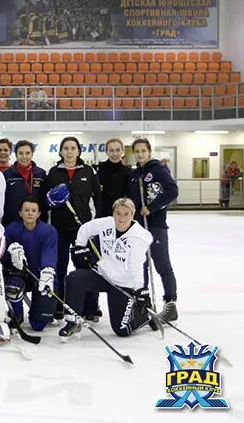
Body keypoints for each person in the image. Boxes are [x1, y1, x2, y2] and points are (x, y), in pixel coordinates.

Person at [59, 198, 155, 340]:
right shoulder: (107, 223)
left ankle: (144, 316)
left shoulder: (138, 238)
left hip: (122, 284)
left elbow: (136, 267)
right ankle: (73, 321)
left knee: (122, 330)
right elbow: (85, 228)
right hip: (103, 275)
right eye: (118, 213)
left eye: (126, 214)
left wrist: (140, 290)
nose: (121, 218)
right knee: (75, 278)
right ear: (113, 213)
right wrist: (80, 246)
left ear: (132, 214)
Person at [46, 136, 101, 321]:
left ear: (79, 151)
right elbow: (46, 201)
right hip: (60, 229)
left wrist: (93, 225)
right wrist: (51, 201)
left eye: (73, 148)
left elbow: (97, 199)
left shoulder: (89, 171)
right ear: (60, 151)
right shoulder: (53, 172)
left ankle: (90, 307)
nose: (69, 152)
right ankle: (59, 305)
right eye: (66, 148)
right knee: (59, 268)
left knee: (85, 268)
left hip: (84, 230)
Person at [127, 138, 179, 323]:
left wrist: (152, 207)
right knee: (141, 266)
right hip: (138, 227)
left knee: (162, 264)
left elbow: (172, 191)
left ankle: (171, 304)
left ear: (149, 151)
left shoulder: (158, 169)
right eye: (137, 151)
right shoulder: (134, 174)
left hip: (155, 225)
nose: (140, 154)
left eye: (143, 150)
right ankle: (144, 304)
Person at [3, 197, 57, 332]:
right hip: (20, 275)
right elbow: (2, 254)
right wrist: (11, 253)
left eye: (33, 210)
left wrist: (47, 271)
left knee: (38, 325)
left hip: (41, 276)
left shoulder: (48, 231)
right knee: (12, 284)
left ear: (39, 214)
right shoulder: (11, 230)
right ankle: (17, 314)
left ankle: (40, 312)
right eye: (26, 210)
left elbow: (49, 254)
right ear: (20, 213)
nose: (30, 213)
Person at [2, 140, 47, 227]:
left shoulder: (41, 174)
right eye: (21, 153)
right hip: (13, 223)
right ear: (16, 155)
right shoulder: (6, 175)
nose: (24, 157)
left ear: (32, 154)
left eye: (27, 153)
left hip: (37, 224)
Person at [96, 138, 130, 217]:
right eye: (111, 150)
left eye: (118, 150)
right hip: (102, 213)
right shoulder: (98, 169)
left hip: (121, 213)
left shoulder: (128, 171)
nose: (115, 154)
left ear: (122, 151)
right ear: (106, 152)